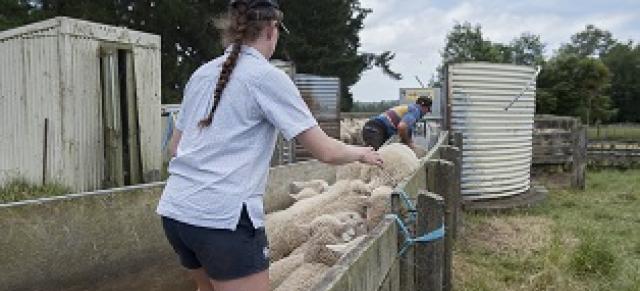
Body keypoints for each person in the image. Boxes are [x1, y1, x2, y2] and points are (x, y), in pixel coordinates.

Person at [156, 1, 383, 291]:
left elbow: (176, 149)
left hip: (177, 212)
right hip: (222, 219)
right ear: (272, 29)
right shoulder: (267, 77)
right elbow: (325, 150)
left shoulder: (201, 74)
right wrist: (361, 152)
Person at [361, 96, 432, 150]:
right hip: (376, 129)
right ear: (424, 107)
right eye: (428, 109)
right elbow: (402, 127)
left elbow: (405, 131)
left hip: (375, 128)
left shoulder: (409, 108)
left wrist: (408, 142)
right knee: (373, 157)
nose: (426, 113)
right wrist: (408, 143)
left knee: (380, 155)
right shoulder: (415, 111)